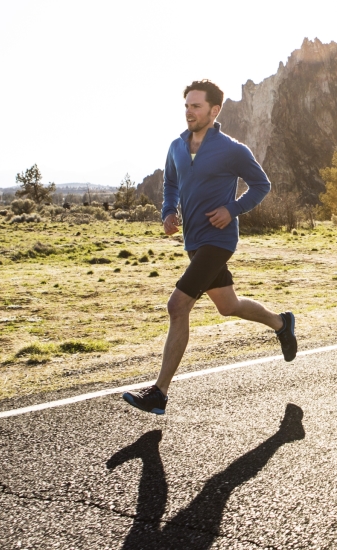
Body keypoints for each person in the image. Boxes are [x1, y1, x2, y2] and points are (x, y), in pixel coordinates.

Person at [122, 80, 297, 415]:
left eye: (196, 106)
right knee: (227, 306)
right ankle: (281, 323)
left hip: (219, 240)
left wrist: (231, 209)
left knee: (177, 306)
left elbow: (262, 185)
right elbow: (171, 182)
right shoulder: (176, 146)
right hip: (194, 240)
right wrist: (169, 211)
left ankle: (159, 393)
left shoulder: (232, 149)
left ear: (214, 110)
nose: (190, 112)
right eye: (187, 106)